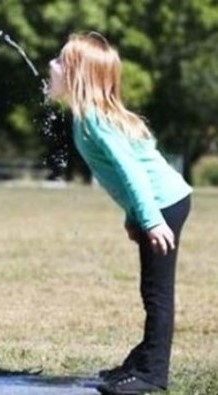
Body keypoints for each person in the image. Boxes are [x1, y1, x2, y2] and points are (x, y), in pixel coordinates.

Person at [45, 32, 192, 395]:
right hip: (158, 205)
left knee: (157, 293)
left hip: (163, 206)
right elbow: (135, 165)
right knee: (151, 290)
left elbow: (133, 172)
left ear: (77, 75)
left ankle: (152, 373)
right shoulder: (89, 117)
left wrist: (151, 219)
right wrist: (134, 216)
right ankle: (140, 362)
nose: (52, 65)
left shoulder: (94, 119)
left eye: (61, 61)